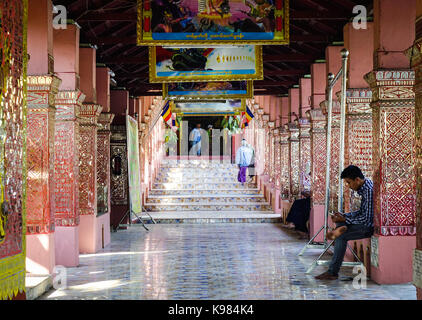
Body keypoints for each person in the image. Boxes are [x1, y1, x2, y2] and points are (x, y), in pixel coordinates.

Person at [315, 165, 374, 280]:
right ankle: (341, 228)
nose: (349, 186)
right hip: (362, 223)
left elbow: (366, 219)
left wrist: (346, 220)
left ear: (357, 180)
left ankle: (333, 272)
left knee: (341, 236)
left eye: (349, 183)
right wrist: (344, 216)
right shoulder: (364, 188)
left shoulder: (368, 191)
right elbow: (361, 212)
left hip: (367, 227)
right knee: (341, 226)